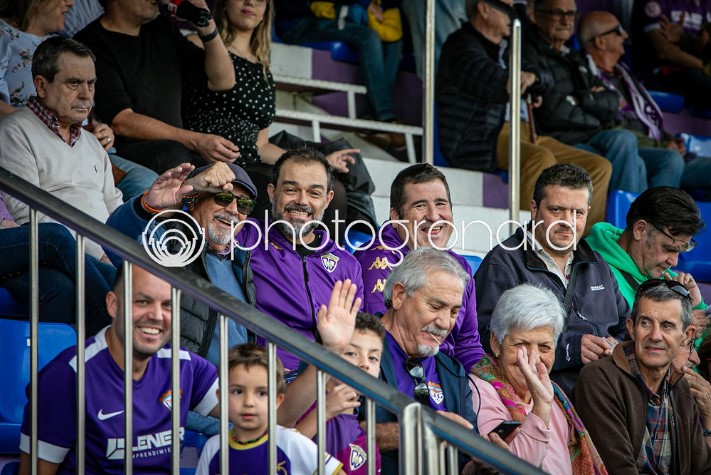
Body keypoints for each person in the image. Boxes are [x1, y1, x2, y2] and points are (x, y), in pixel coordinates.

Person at [180, 0, 358, 240]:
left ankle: (325, 264)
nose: (250, 2)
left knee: (333, 189)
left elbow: (261, 145)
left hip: (251, 162)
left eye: (261, 0)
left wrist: (321, 163)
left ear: (265, 12)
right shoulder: (196, 43)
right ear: (224, 4)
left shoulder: (263, 69)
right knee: (274, 193)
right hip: (211, 160)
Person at [18, 264, 220, 475]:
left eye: (168, 305)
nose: (157, 315)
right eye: (143, 301)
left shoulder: (184, 364)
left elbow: (252, 405)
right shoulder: (68, 375)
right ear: (113, 305)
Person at [436, 0, 612, 228]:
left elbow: (542, 76)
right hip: (484, 135)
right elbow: (496, 83)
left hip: (524, 129)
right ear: (484, 8)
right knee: (540, 158)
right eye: (507, 7)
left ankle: (582, 247)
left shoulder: (509, 46)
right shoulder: (460, 45)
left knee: (598, 167)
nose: (514, 14)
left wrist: (533, 79)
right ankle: (528, 240)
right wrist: (526, 80)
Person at [475, 163, 629, 395]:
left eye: (578, 213)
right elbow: (487, 341)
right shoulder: (502, 264)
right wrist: (570, 349)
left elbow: (626, 327)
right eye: (557, 210)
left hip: (607, 389)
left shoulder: (599, 265)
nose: (568, 222)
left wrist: (615, 349)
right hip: (542, 394)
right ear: (534, 209)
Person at [0, 0, 158, 201]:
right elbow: (27, 212)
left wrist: (100, 129)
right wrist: (42, 124)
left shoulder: (64, 43)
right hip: (38, 143)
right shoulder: (4, 37)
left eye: (90, 84)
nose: (71, 3)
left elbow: (82, 102)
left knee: (148, 184)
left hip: (87, 143)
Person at [107, 161, 258, 363]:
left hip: (232, 388)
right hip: (179, 381)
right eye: (223, 198)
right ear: (194, 201)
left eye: (244, 204)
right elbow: (114, 240)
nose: (233, 209)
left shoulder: (242, 264)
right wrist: (151, 206)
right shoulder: (172, 240)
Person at [235, 148, 364, 374]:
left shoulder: (347, 264)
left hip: (327, 380)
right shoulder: (247, 235)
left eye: (314, 193)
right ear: (272, 193)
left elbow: (360, 339)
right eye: (291, 189)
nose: (301, 201)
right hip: (265, 378)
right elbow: (193, 229)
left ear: (327, 199)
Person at [524, 0, 671, 194]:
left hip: (590, 134)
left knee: (657, 158)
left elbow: (612, 101)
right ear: (536, 15)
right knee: (625, 143)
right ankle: (631, 222)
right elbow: (552, 112)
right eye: (557, 13)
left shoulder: (574, 58)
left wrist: (578, 100)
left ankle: (647, 222)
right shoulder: (530, 53)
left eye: (570, 15)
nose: (565, 20)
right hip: (562, 139)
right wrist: (593, 105)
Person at [74, 0, 238, 172]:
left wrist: (208, 28)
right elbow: (121, 121)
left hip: (179, 148)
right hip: (127, 153)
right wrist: (196, 140)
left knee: (236, 175)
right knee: (178, 158)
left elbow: (222, 81)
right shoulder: (90, 42)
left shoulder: (161, 27)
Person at [0, 36, 122, 261]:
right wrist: (99, 257)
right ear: (41, 85)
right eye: (74, 83)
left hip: (107, 259)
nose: (86, 94)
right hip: (60, 261)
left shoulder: (92, 142)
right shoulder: (15, 132)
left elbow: (116, 210)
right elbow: (28, 216)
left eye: (91, 83)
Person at [354, 163, 484, 372]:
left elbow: (468, 346)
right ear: (395, 218)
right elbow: (383, 340)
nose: (433, 216)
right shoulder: (377, 258)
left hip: (448, 380)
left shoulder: (459, 267)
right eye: (420, 205)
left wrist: (494, 387)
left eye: (441, 204)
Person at [574, 280, 711, 473]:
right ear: (631, 328)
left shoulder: (681, 388)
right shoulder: (599, 379)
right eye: (646, 323)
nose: (655, 336)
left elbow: (703, 468)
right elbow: (618, 470)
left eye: (667, 326)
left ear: (686, 335)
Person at [470, 284, 607, 473]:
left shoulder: (556, 397)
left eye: (544, 347)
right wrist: (541, 406)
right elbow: (515, 469)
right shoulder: (479, 391)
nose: (532, 358)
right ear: (496, 343)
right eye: (521, 344)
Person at [580, 11, 711, 194]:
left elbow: (647, 120)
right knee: (670, 160)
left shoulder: (624, 74)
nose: (625, 35)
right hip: (635, 150)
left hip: (658, 147)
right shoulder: (585, 75)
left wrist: (669, 140)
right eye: (618, 31)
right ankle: (656, 221)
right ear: (600, 42)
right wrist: (662, 146)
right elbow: (613, 128)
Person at [374, 247, 478, 473]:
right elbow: (335, 431)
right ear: (399, 295)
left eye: (453, 312)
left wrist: (485, 464)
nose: (444, 323)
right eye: (436, 306)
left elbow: (464, 462)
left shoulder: (453, 372)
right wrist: (419, 429)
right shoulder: (354, 348)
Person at [195, 343, 345, 475]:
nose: (249, 402)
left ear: (277, 400)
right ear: (220, 397)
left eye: (261, 393)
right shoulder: (213, 447)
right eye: (238, 392)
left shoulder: (291, 442)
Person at [586, 187, 709, 331]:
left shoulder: (672, 281)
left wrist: (695, 306)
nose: (674, 262)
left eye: (680, 252)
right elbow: (613, 347)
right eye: (669, 249)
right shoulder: (592, 274)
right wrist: (679, 328)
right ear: (640, 229)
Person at [273, 0, 401, 126]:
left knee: (394, 42)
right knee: (369, 37)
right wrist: (367, 4)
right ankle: (385, 115)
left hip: (329, 19)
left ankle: (373, 115)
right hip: (299, 23)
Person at [292, 312, 384, 474]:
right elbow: (280, 454)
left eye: (373, 357)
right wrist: (324, 411)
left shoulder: (367, 441)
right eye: (351, 353)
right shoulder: (301, 409)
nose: (365, 364)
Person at [630, 0, 711, 109]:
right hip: (659, 72)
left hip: (694, 71)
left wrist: (684, 38)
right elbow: (664, 51)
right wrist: (705, 67)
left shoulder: (705, 4)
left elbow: (703, 47)